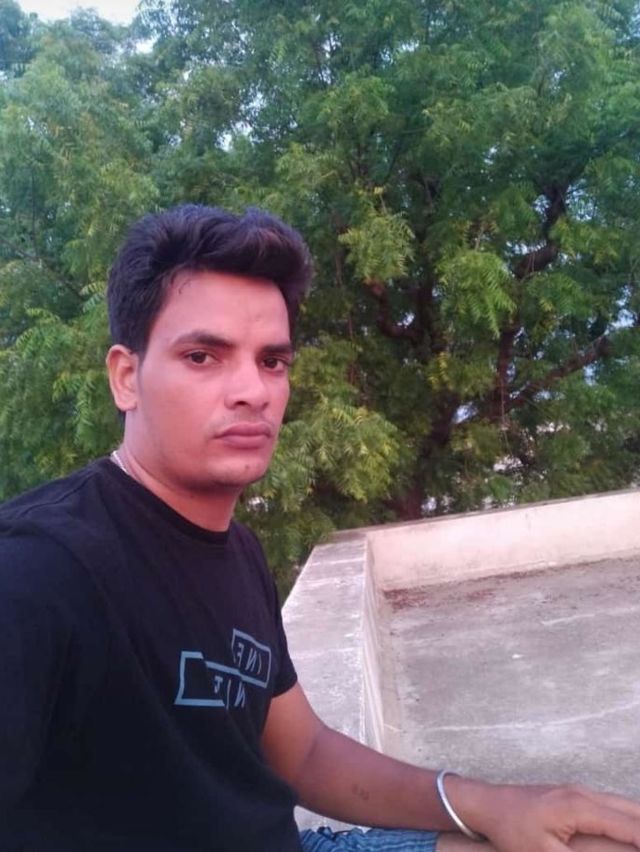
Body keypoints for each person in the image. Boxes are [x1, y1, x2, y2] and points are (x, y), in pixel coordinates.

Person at [0, 204, 638, 852]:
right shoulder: (39, 571)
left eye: (272, 362)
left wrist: (491, 804)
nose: (252, 391)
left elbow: (301, 753)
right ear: (126, 377)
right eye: (202, 356)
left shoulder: (238, 550)